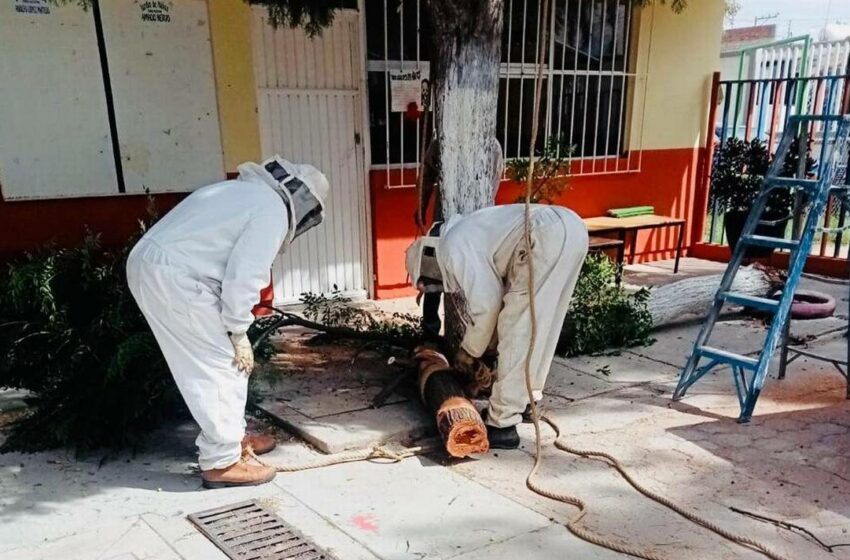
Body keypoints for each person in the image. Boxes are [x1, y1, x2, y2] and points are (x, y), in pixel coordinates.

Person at [127, 156, 329, 488]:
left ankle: (232, 439)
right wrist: (238, 330)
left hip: (158, 268)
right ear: (301, 200)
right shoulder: (271, 211)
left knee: (210, 364)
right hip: (177, 278)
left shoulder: (241, 193)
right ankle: (221, 463)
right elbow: (245, 276)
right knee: (222, 364)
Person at [405, 204, 588, 449]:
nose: (435, 286)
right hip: (573, 227)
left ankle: (502, 424)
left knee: (518, 328)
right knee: (542, 322)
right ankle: (527, 400)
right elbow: (494, 296)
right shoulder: (467, 232)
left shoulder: (452, 247)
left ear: (427, 258)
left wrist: (469, 351)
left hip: (543, 234)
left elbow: (487, 304)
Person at [414, 137, 504, 340]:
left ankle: (476, 337)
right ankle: (430, 335)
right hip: (444, 219)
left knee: (476, 280)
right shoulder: (441, 142)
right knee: (432, 277)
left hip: (477, 223)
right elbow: (426, 176)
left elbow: (493, 182)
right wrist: (421, 206)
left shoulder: (489, 143)